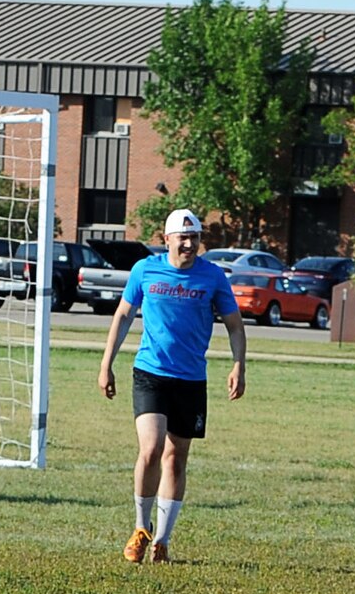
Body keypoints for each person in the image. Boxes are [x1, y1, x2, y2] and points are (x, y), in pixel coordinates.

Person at [95, 208, 246, 564]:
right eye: (183, 237)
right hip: (151, 373)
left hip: (191, 380)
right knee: (150, 449)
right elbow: (123, 315)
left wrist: (239, 364)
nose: (189, 244)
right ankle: (140, 528)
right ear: (167, 240)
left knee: (176, 458)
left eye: (194, 237)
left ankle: (162, 540)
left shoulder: (213, 277)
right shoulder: (145, 270)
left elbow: (235, 325)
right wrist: (106, 364)